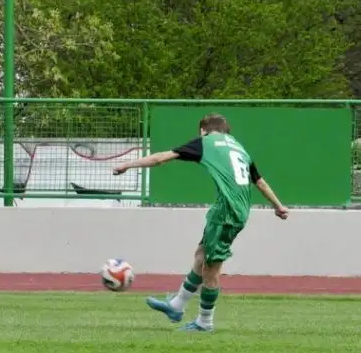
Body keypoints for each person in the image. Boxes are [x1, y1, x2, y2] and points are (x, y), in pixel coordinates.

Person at [111, 113, 289, 333]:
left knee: (211, 268)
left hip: (228, 211)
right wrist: (278, 206)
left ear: (204, 129)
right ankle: (176, 306)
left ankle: (205, 322)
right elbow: (259, 182)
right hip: (231, 209)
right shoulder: (239, 148)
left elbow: (161, 158)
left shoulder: (206, 142)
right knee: (201, 255)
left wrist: (128, 164)